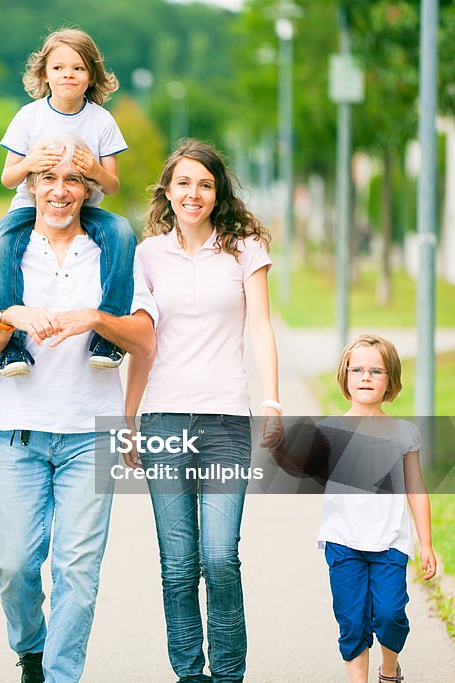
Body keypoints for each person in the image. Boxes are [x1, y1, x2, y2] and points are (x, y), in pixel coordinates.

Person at [0, 133, 156, 683]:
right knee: (13, 565)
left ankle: (60, 674)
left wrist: (97, 320)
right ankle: (31, 650)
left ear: (89, 190)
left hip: (90, 433)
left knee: (77, 570)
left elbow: (144, 339)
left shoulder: (115, 253)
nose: (60, 190)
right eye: (48, 178)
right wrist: (9, 318)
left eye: (73, 179)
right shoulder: (4, 254)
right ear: (30, 186)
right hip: (22, 435)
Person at [124, 139, 282, 683]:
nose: (195, 194)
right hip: (164, 418)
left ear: (219, 194)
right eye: (184, 183)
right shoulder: (146, 255)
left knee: (219, 559)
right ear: (168, 191)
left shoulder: (245, 249)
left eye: (206, 185)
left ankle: (228, 676)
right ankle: (191, 675)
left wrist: (272, 399)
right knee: (177, 567)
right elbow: (143, 343)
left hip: (226, 421)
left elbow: (261, 326)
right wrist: (128, 421)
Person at [0, 28, 135, 377]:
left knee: (123, 232)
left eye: (78, 68)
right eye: (59, 68)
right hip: (29, 205)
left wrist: (94, 168)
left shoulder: (101, 120)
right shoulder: (29, 116)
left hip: (86, 206)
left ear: (92, 75)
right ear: (45, 74)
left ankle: (108, 334)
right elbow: (8, 178)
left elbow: (111, 185)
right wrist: (29, 164)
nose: (68, 74)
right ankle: (12, 345)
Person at [318, 334, 436, 683]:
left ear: (391, 382)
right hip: (343, 541)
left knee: (390, 615)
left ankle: (389, 670)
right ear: (345, 377)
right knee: (352, 621)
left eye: (376, 371)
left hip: (390, 542)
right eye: (357, 370)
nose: (365, 377)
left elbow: (416, 488)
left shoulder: (403, 433)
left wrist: (426, 543)